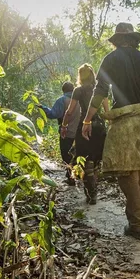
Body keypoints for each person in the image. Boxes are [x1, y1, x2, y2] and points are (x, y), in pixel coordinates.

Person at [81, 22, 140, 240]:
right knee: (135, 169)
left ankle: (138, 225)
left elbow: (100, 92)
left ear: (117, 41)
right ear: (134, 40)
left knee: (125, 171)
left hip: (123, 121)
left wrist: (87, 120)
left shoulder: (110, 60)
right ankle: (135, 220)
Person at [61, 64, 109, 204]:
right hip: (99, 127)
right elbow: (106, 111)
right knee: (95, 160)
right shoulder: (100, 90)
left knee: (85, 159)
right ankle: (93, 189)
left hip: (84, 126)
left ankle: (91, 191)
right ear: (93, 75)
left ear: (80, 76)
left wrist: (64, 125)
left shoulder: (78, 90)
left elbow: (69, 112)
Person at [38, 81, 80, 185]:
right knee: (78, 154)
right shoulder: (80, 100)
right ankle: (76, 174)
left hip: (66, 132)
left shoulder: (62, 100)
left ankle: (71, 177)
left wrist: (43, 108)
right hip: (80, 132)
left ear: (63, 90)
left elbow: (54, 114)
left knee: (66, 154)